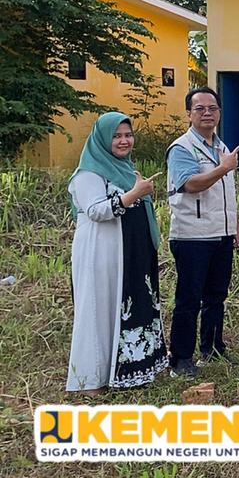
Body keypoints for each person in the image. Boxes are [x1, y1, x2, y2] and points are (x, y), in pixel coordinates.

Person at [67, 112, 168, 392]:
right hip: (101, 254)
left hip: (129, 254)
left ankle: (130, 371)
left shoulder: (124, 168)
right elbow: (97, 210)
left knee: (129, 307)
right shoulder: (89, 173)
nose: (124, 141)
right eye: (116, 136)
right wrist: (135, 194)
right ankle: (92, 379)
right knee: (101, 310)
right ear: (102, 139)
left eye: (128, 135)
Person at [166, 86, 239, 376]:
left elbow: (226, 192)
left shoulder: (222, 148)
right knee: (189, 298)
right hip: (192, 236)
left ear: (220, 113)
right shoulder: (181, 148)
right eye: (200, 108)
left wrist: (233, 224)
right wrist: (223, 168)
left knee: (216, 296)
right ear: (188, 114)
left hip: (220, 233)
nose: (207, 113)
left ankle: (212, 349)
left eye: (212, 108)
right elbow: (190, 184)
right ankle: (180, 358)